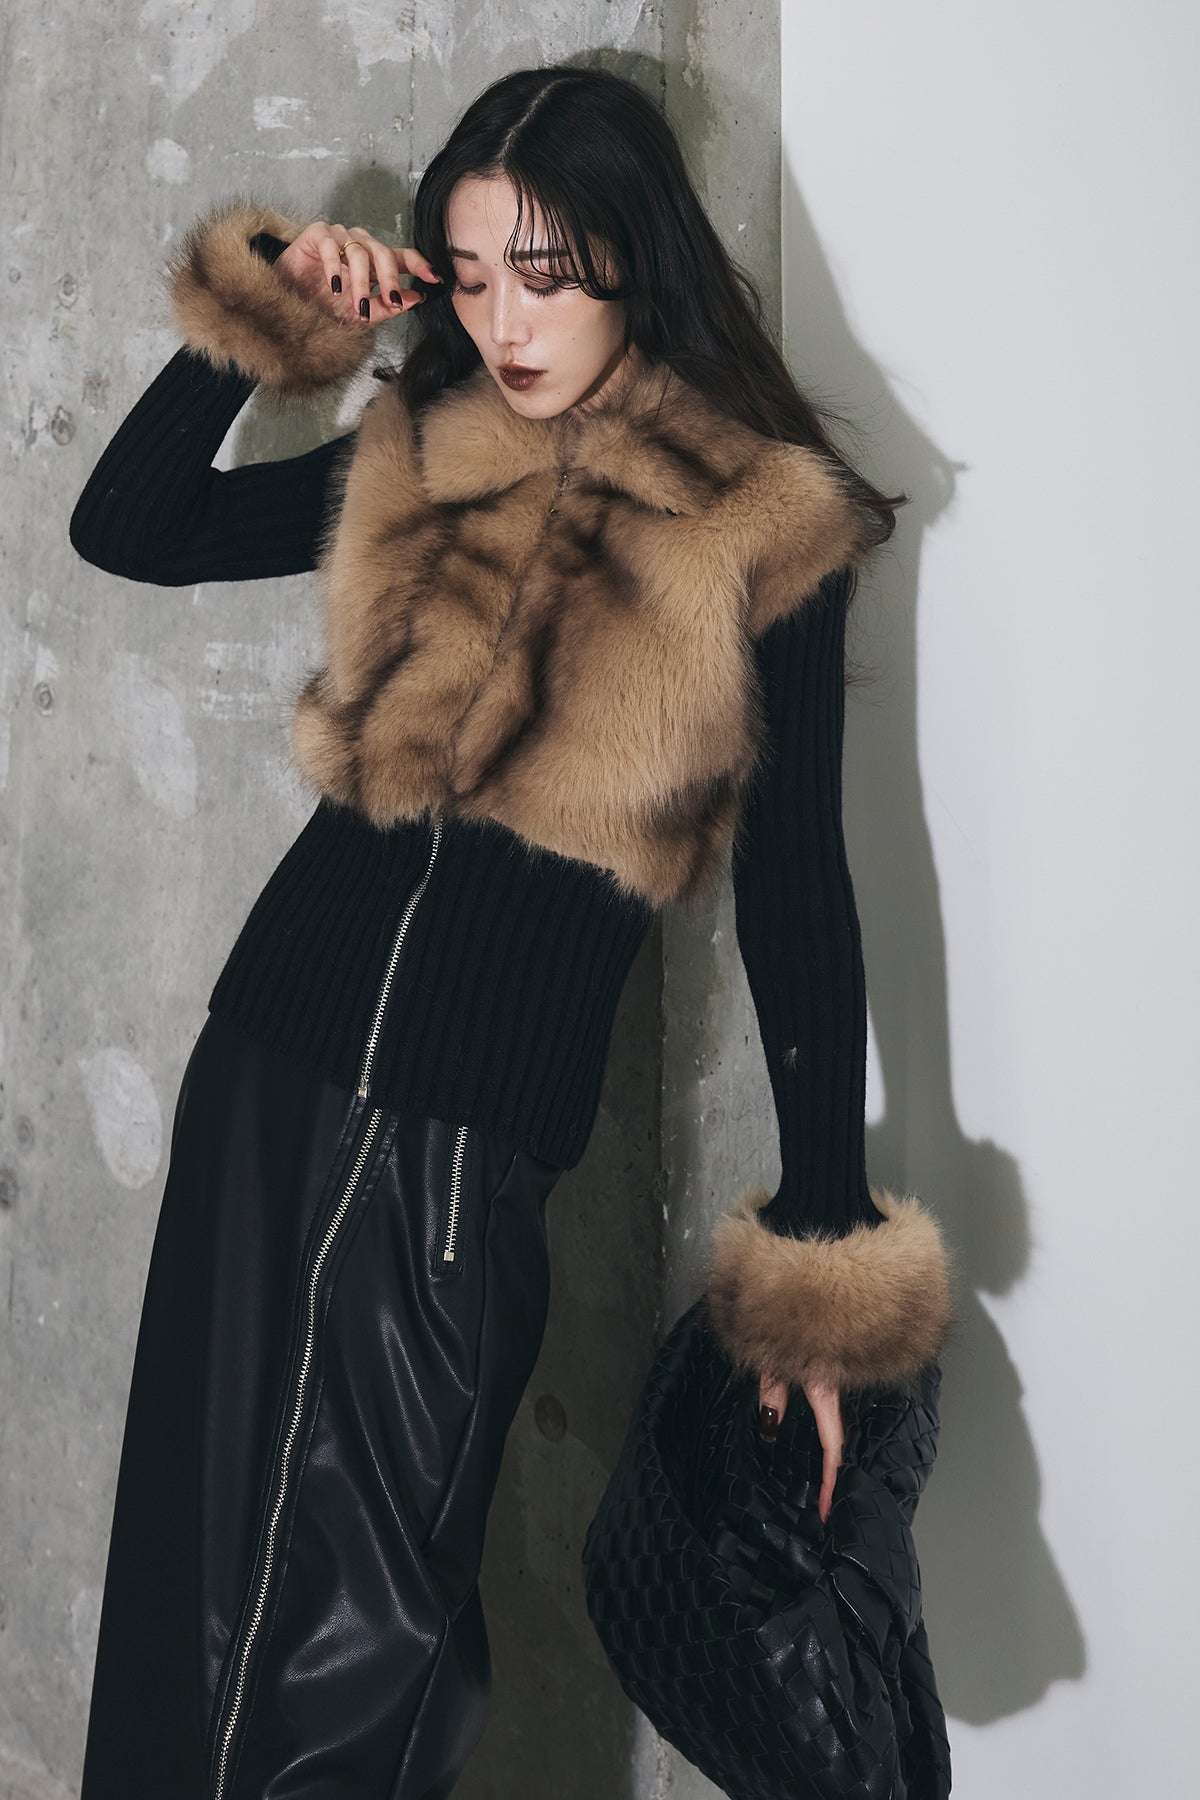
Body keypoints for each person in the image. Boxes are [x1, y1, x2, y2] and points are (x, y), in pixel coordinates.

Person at [68, 62, 952, 1800]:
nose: (504, 320)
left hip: (460, 1149)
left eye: (544, 272)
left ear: (636, 251)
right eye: (470, 275)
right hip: (266, 1073)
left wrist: (820, 1252)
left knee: (360, 1651)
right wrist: (273, 317)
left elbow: (797, 892)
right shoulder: (429, 446)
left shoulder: (759, 521)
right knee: (194, 1588)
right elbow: (130, 529)